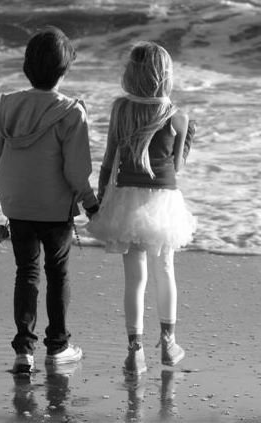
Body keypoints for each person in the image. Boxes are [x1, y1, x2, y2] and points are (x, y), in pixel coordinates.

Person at [0, 26, 99, 374]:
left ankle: (24, 350)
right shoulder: (71, 112)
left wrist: (3, 191)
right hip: (54, 208)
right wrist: (91, 204)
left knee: (26, 272)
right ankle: (58, 347)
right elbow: (76, 171)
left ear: (27, 66)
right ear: (64, 70)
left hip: (16, 203)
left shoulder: (7, 104)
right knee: (57, 272)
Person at [87, 41, 196, 374]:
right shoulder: (177, 116)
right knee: (165, 271)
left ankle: (135, 352)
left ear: (132, 74)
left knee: (135, 279)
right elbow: (176, 167)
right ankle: (168, 343)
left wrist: (101, 199)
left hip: (126, 200)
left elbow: (109, 161)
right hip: (163, 202)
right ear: (166, 75)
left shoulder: (121, 110)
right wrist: (187, 140)